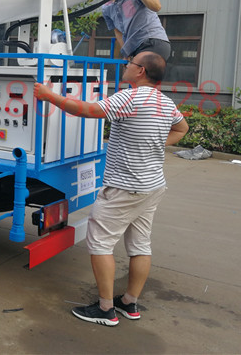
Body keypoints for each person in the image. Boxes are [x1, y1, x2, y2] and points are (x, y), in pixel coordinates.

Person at [34, 51, 188, 326]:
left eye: (131, 63)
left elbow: (88, 110)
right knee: (140, 244)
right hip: (152, 186)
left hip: (123, 188)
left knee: (100, 243)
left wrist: (49, 96)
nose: (126, 66)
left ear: (140, 71)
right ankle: (129, 302)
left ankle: (105, 309)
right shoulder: (165, 102)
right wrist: (153, 142)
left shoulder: (129, 98)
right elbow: (182, 128)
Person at [103, 0, 171, 62]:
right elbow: (117, 31)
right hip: (134, 48)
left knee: (136, 68)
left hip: (151, 40)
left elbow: (157, 7)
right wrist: (127, 54)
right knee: (132, 68)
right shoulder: (106, 8)